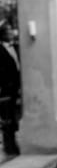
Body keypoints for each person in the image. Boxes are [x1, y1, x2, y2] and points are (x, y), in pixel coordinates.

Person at [0, 22, 21, 155]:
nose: (11, 32)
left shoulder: (17, 47)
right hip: (6, 88)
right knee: (7, 118)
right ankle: (10, 147)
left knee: (15, 117)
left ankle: (14, 143)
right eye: (8, 31)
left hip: (17, 86)